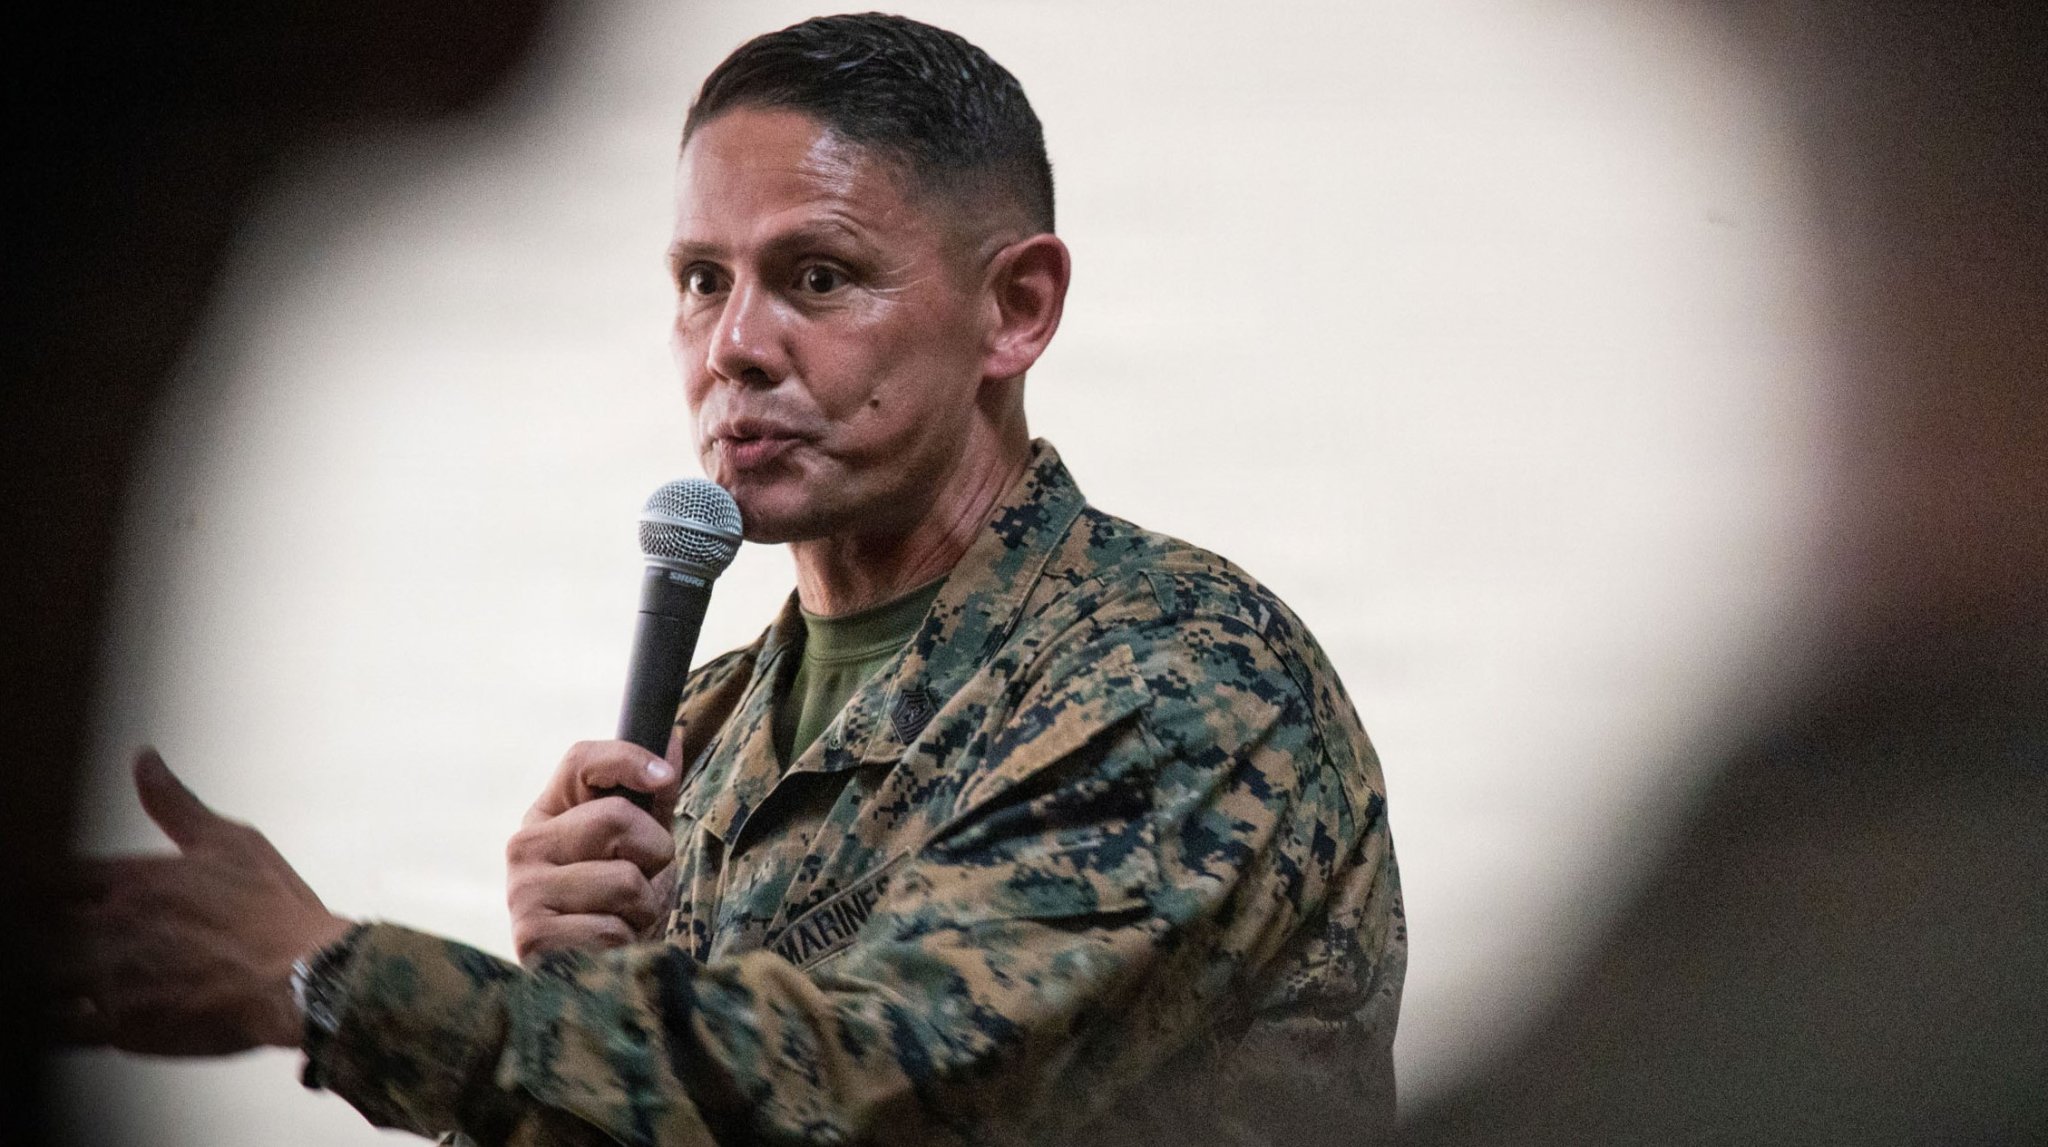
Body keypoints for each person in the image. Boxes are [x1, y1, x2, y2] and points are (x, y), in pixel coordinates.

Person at [66, 14, 1404, 1145]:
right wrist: (575, 987)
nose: (737, 347)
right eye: (702, 282)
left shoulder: (1180, 672)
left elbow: (873, 1081)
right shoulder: (705, 728)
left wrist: (328, 981)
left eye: (817, 278)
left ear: (1016, 311)